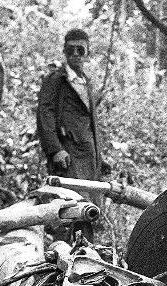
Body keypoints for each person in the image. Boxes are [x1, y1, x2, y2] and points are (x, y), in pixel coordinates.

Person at [37, 28, 108, 241]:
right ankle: (65, 254)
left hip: (89, 156)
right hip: (68, 154)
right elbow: (44, 115)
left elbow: (91, 123)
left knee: (89, 207)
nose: (75, 54)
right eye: (71, 50)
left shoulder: (87, 81)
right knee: (71, 204)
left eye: (80, 50)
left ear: (88, 53)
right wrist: (56, 149)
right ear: (64, 51)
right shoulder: (56, 80)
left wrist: (100, 157)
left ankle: (86, 252)